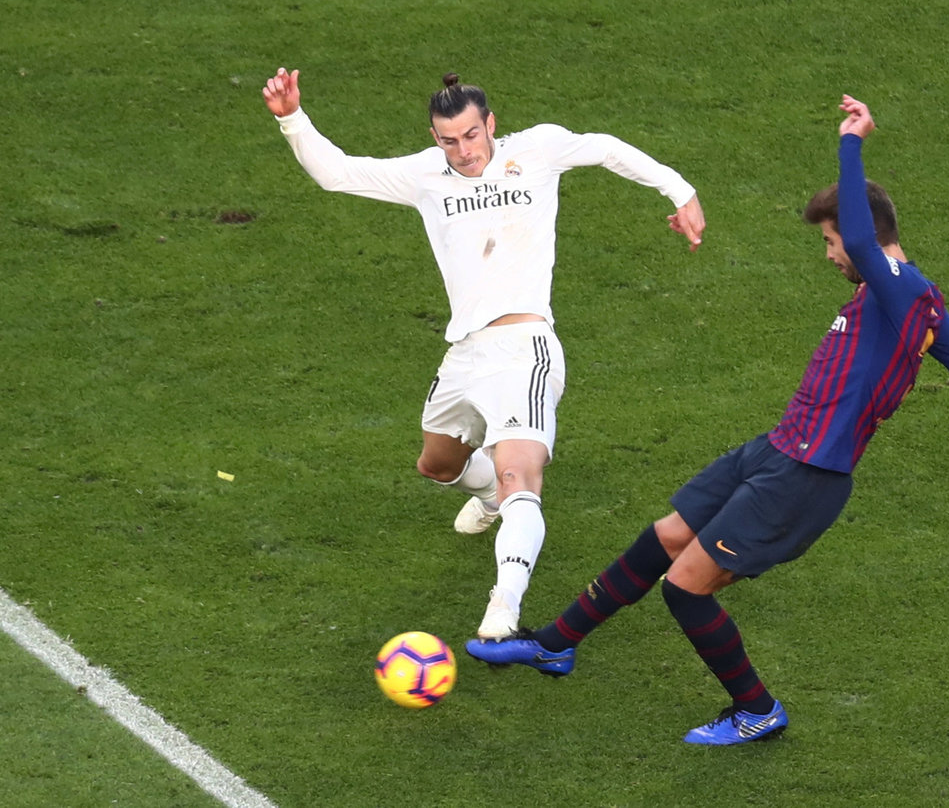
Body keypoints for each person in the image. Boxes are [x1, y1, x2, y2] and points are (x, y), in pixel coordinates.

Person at [465, 95, 949, 745]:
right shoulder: (904, 298)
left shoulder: (899, 286)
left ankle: (757, 709)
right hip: (777, 449)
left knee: (685, 589)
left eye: (831, 241)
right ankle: (555, 644)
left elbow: (866, 244)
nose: (831, 254)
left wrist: (852, 141)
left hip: (808, 476)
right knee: (663, 538)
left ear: (863, 235)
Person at [261, 69, 706, 640]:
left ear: (490, 124)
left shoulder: (536, 150)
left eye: (472, 135)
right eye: (450, 140)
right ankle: (492, 495)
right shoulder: (426, 174)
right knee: (438, 465)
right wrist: (291, 118)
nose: (464, 150)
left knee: (520, 474)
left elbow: (605, 148)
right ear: (435, 137)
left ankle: (504, 606)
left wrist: (680, 191)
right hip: (465, 353)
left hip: (525, 348)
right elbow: (337, 173)